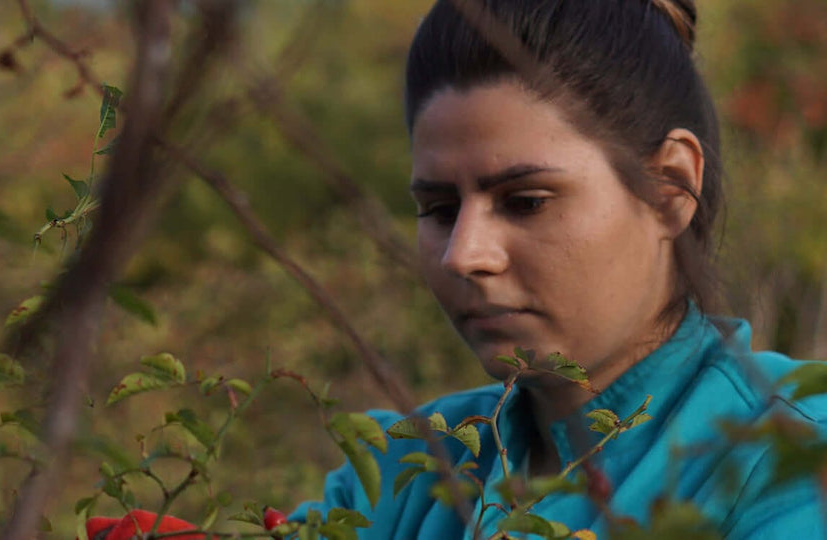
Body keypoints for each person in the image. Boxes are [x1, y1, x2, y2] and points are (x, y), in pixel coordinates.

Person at [88, 0, 825, 538]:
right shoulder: (406, 470)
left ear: (670, 188)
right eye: (439, 209)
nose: (464, 254)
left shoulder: (789, 458)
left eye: (527, 201)